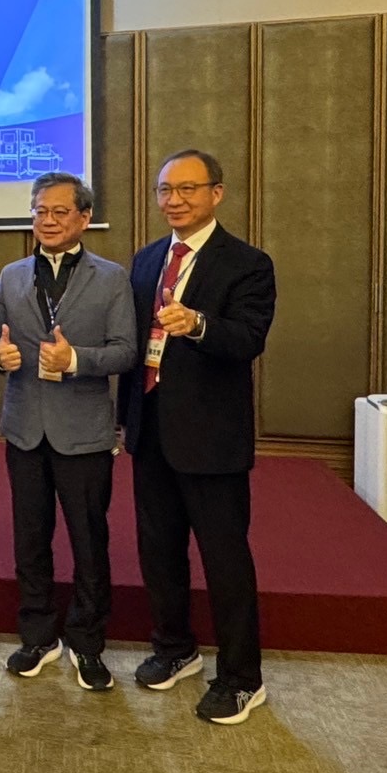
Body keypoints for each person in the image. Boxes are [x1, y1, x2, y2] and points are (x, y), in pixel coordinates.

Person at [118, 148, 276, 726]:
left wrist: (199, 323)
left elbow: (249, 338)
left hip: (211, 438)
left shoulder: (247, 263)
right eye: (165, 190)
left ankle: (241, 678)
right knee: (158, 550)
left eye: (187, 188)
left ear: (217, 193)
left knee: (224, 559)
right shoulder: (146, 260)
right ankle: (175, 648)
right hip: (151, 430)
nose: (175, 200)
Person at [0, 172, 136, 690]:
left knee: (89, 542)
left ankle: (88, 643)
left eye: (58, 212)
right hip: (24, 429)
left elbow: (126, 351)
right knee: (30, 539)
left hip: (84, 433)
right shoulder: (11, 275)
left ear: (84, 218)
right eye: (39, 211)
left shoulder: (111, 278)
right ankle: (37, 636)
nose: (46, 221)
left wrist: (76, 360)